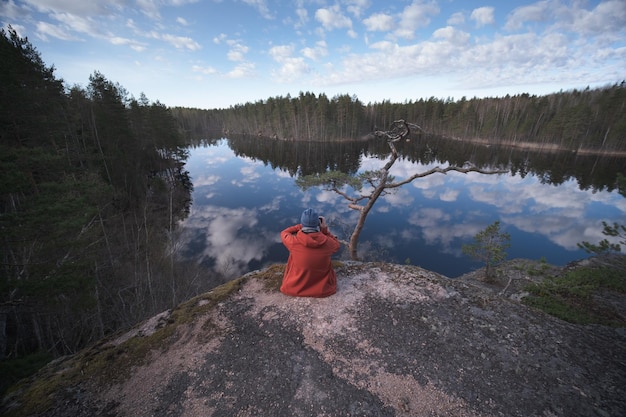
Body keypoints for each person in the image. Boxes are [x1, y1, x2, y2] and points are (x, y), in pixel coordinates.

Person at [280, 208, 341, 297]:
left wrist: (300, 226)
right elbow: (336, 245)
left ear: (302, 222)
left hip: (293, 289)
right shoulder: (328, 244)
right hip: (323, 290)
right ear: (318, 223)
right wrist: (324, 230)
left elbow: (284, 232)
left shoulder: (293, 242)